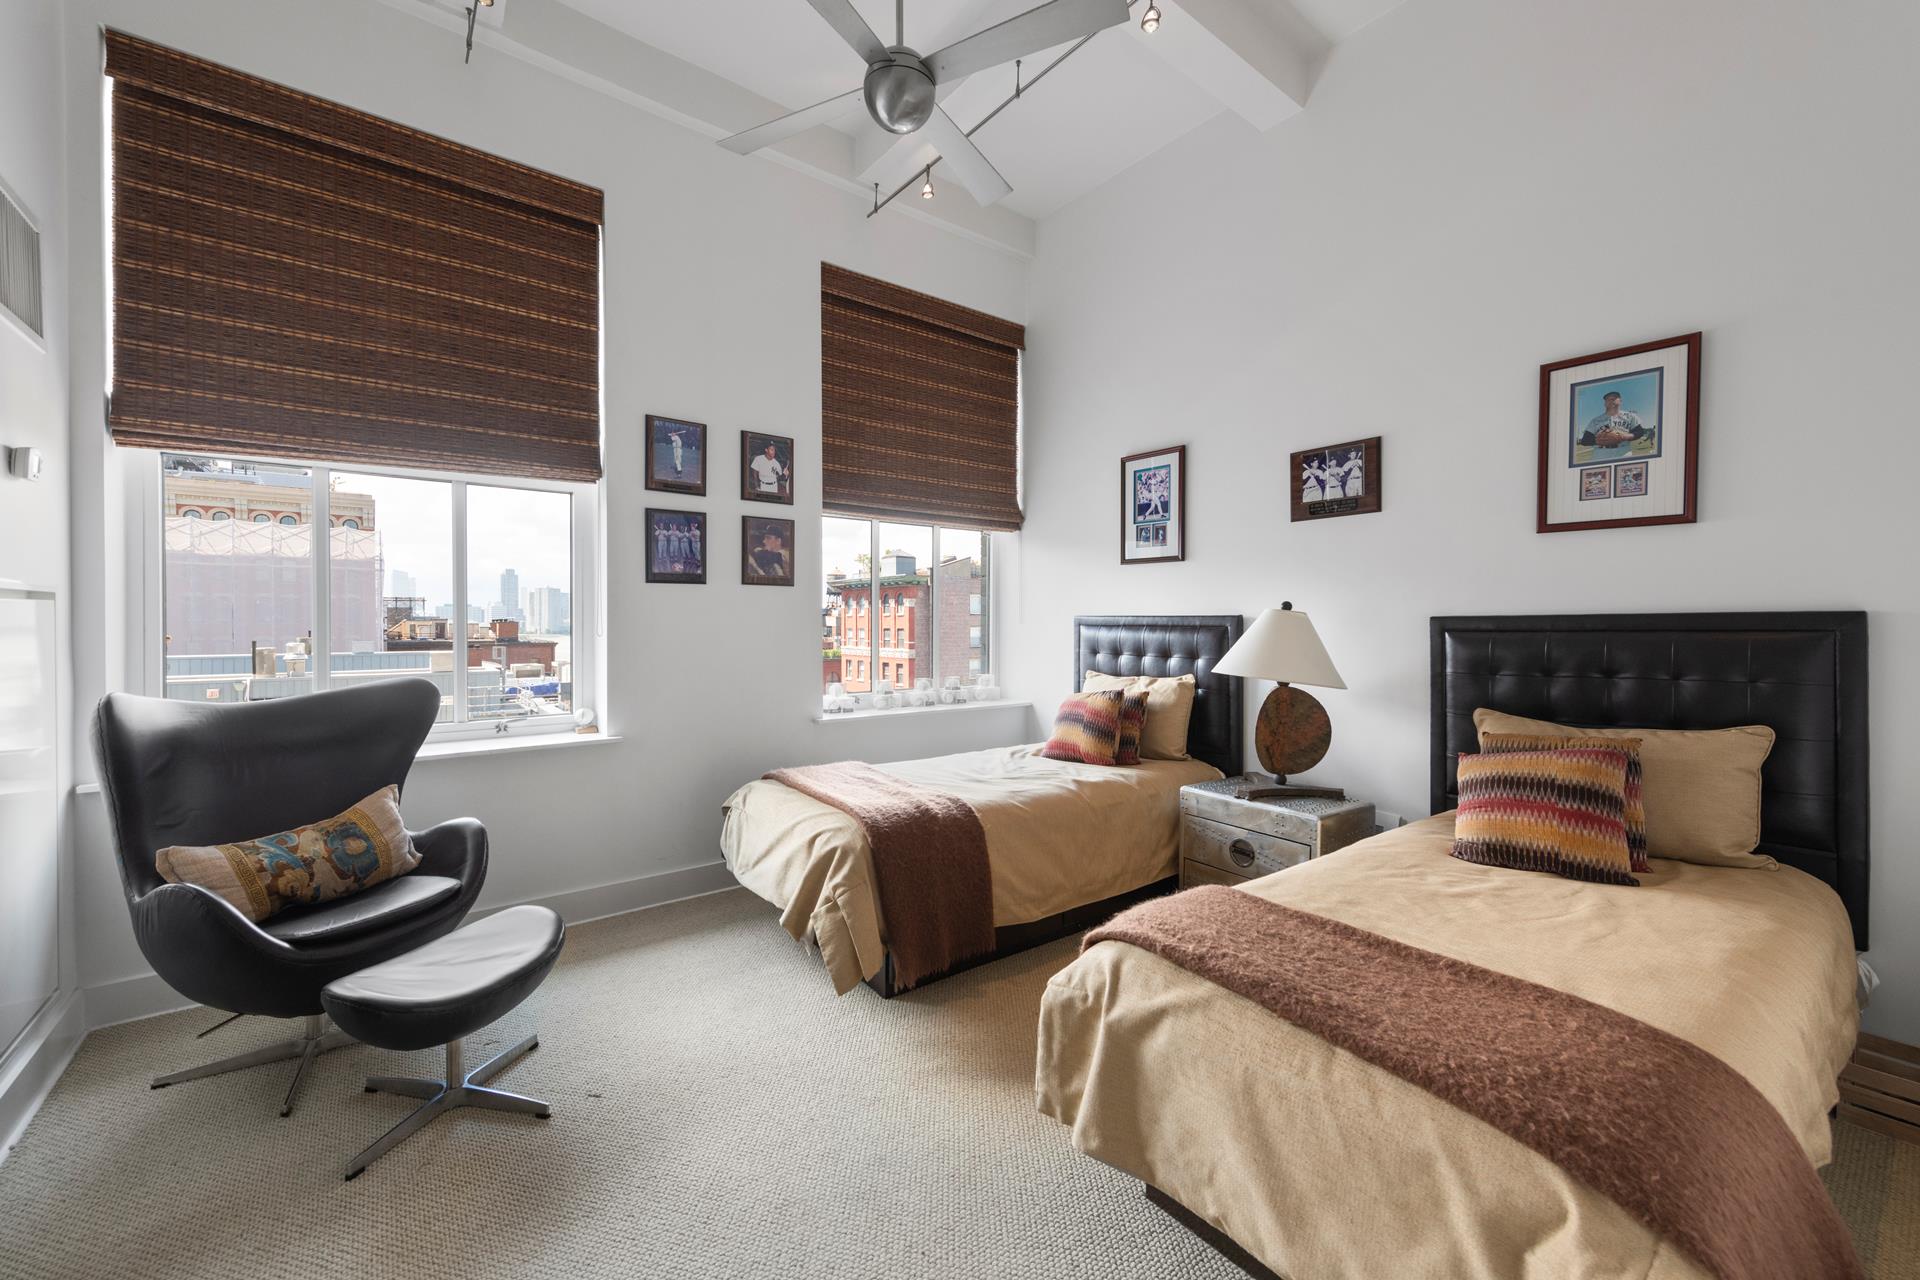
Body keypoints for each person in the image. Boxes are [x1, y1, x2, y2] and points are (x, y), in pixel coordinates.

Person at [1580, 390, 1651, 450]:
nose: (1610, 400)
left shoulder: (1630, 416)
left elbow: (1640, 432)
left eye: (1614, 398)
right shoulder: (1595, 420)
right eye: (1607, 399)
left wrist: (1624, 437)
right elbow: (1584, 440)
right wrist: (1600, 440)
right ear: (1605, 404)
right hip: (1600, 457)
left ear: (1620, 401)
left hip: (1623, 456)